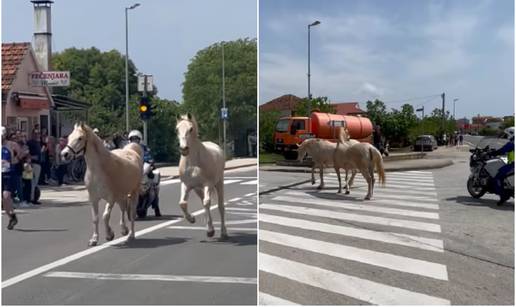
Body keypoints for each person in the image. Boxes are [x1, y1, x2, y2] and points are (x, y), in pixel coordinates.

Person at [128, 129, 161, 217]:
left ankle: (156, 207)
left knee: (154, 178)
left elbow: (148, 155)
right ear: (130, 139)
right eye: (132, 139)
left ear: (140, 139)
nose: (134, 140)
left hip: (142, 167)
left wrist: (150, 162)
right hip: (132, 169)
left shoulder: (144, 147)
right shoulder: (127, 148)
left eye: (136, 139)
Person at [2, 127, 18, 229]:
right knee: (4, 201)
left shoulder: (11, 145)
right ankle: (12, 216)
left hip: (9, 173)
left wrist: (15, 159)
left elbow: (21, 153)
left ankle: (12, 215)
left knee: (6, 196)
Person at [492, 136, 514, 205]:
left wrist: (492, 153)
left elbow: (502, 150)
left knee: (497, 177)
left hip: (513, 165)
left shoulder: (512, 143)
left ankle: (503, 196)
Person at [26, 129, 42, 204]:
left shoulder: (38, 142)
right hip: (32, 164)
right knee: (32, 182)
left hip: (38, 164)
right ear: (32, 134)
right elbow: (26, 152)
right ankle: (31, 199)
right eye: (35, 133)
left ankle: (34, 197)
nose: (37, 135)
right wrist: (31, 158)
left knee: (35, 183)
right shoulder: (29, 142)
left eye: (38, 133)